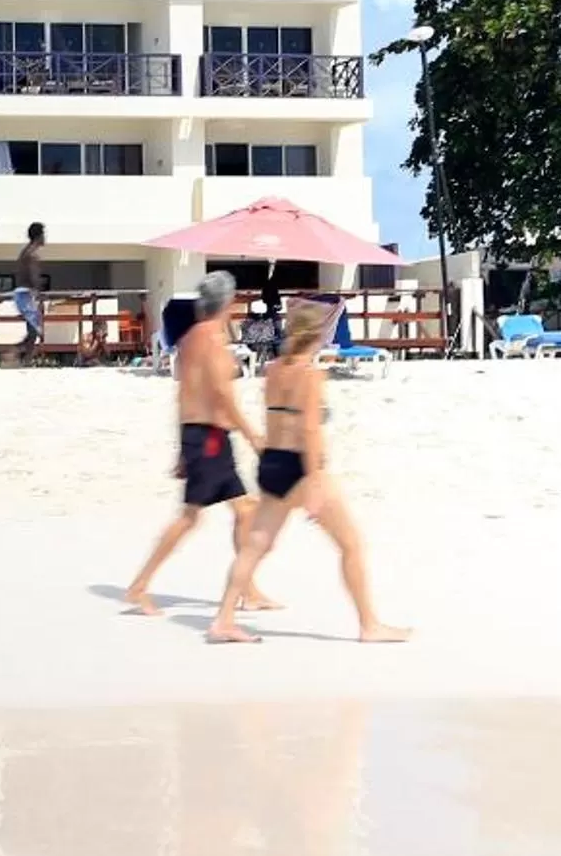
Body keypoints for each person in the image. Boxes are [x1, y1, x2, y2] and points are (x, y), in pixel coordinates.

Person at [207, 299, 410, 646]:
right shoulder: (311, 375)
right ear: (317, 336)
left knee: (255, 546)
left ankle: (224, 619)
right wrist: (314, 481)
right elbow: (310, 430)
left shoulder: (272, 370)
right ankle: (370, 625)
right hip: (302, 466)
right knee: (351, 545)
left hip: (272, 462)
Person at [123, 271, 282, 618]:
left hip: (202, 437)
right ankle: (139, 586)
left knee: (244, 510)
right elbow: (223, 395)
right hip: (210, 439)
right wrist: (253, 435)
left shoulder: (190, 339)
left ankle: (248, 590)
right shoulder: (211, 338)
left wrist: (183, 449)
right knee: (190, 518)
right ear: (227, 302)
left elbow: (184, 395)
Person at [8, 223, 49, 363]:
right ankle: (14, 354)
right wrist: (39, 292)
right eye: (43, 234)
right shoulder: (32, 255)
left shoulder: (26, 252)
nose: (45, 237)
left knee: (33, 331)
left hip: (23, 294)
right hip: (25, 295)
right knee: (34, 331)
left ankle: (24, 360)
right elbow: (33, 277)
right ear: (39, 236)